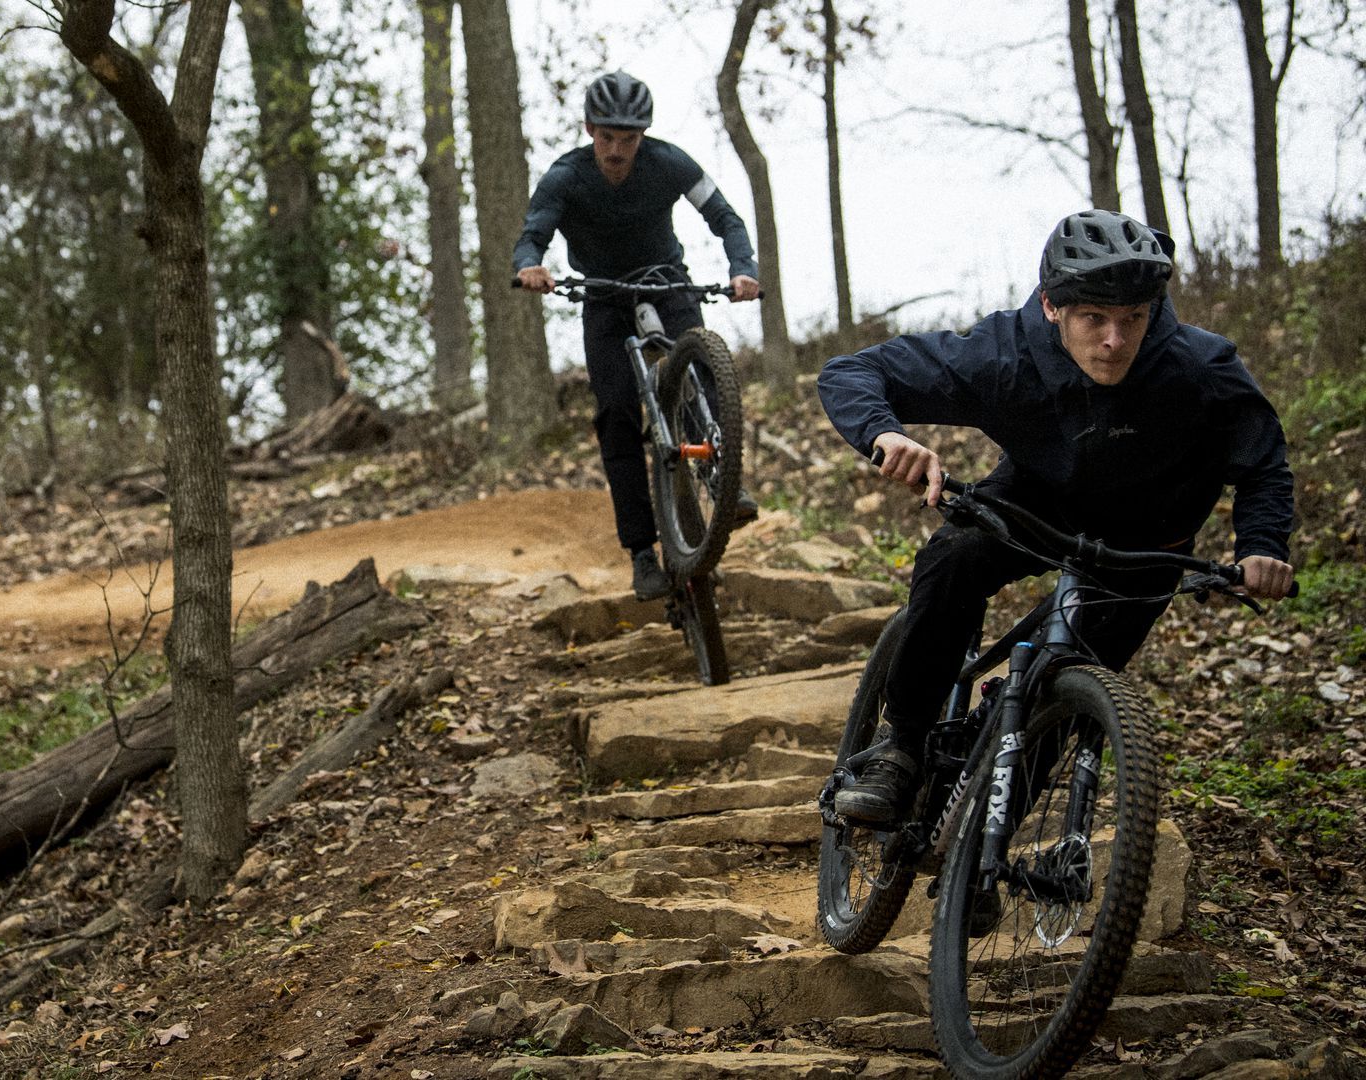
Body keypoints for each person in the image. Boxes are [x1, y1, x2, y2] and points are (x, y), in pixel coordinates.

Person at [817, 208, 1296, 824]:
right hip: (1038, 500)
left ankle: (979, 851)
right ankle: (902, 747)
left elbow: (1262, 461)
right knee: (955, 555)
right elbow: (853, 371)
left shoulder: (1198, 367)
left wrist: (1261, 543)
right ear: (1051, 307)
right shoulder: (1005, 355)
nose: (1115, 341)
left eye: (1132, 320)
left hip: (1149, 539)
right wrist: (886, 435)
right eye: (1093, 319)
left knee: (1062, 689)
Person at [513, 71, 762, 601]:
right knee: (617, 414)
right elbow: (533, 232)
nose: (617, 150)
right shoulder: (565, 176)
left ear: (643, 136)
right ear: (589, 130)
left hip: (666, 281)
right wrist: (531, 266)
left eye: (629, 139)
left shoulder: (670, 162)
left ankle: (724, 471)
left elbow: (725, 217)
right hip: (603, 298)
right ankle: (643, 553)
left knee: (702, 363)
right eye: (607, 137)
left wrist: (742, 268)